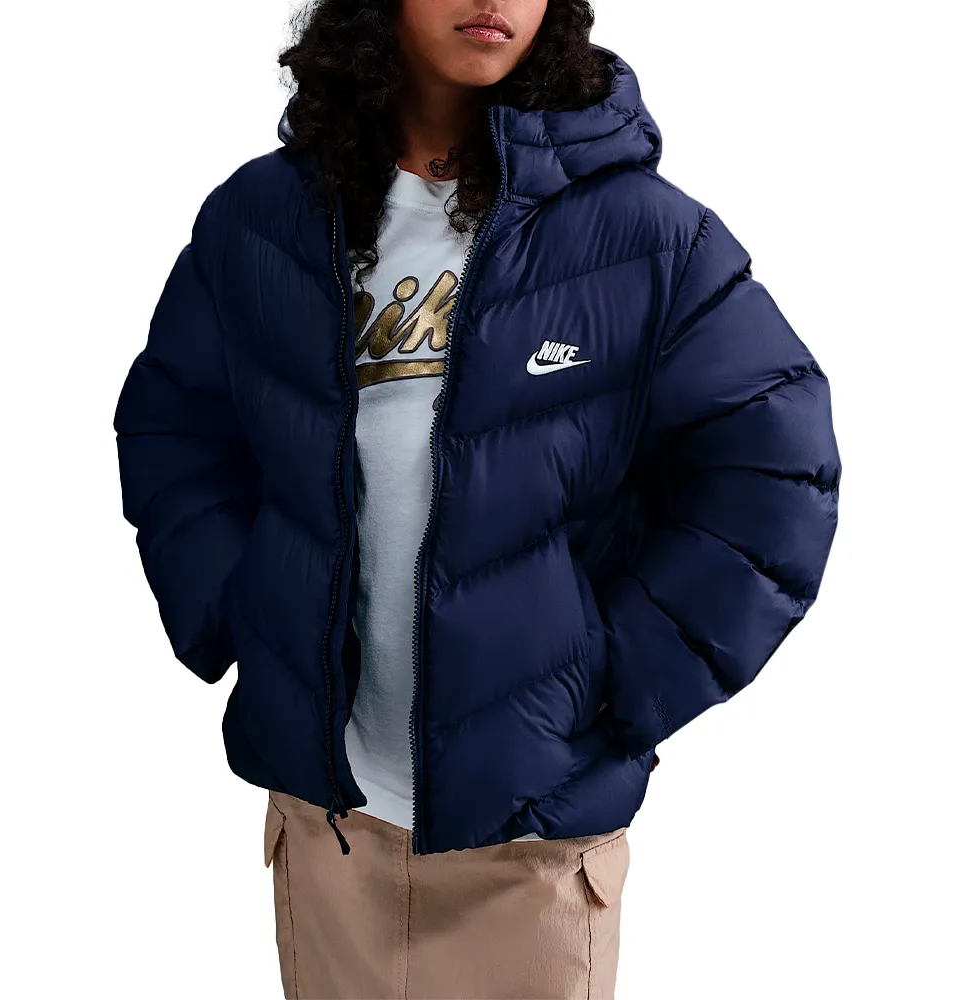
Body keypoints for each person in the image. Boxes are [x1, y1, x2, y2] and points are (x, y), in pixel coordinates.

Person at [113, 1, 842, 997]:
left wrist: (617, 677)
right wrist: (240, 613)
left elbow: (775, 473)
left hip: (530, 839)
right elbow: (178, 429)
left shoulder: (648, 237)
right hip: (328, 821)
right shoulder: (262, 218)